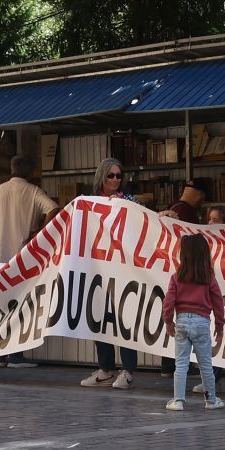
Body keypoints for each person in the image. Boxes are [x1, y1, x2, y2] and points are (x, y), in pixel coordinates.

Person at [0, 155, 58, 368]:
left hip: (0, 260)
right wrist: (39, 234)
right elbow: (53, 209)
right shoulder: (33, 191)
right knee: (21, 307)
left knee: (2, 308)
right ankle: (15, 355)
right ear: (31, 172)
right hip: (23, 259)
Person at [82, 157, 141, 391]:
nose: (116, 179)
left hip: (123, 267)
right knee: (101, 319)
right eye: (111, 175)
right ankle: (105, 368)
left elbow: (144, 223)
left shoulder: (130, 201)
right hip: (98, 267)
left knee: (124, 319)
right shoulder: (89, 202)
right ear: (101, 177)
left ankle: (128, 370)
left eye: (119, 175)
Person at [161, 234, 225, 412]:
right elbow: (218, 301)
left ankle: (178, 401)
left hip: (181, 321)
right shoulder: (208, 277)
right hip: (201, 323)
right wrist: (220, 325)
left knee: (181, 363)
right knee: (205, 364)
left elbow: (168, 301)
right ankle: (211, 400)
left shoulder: (177, 277)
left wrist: (168, 321)